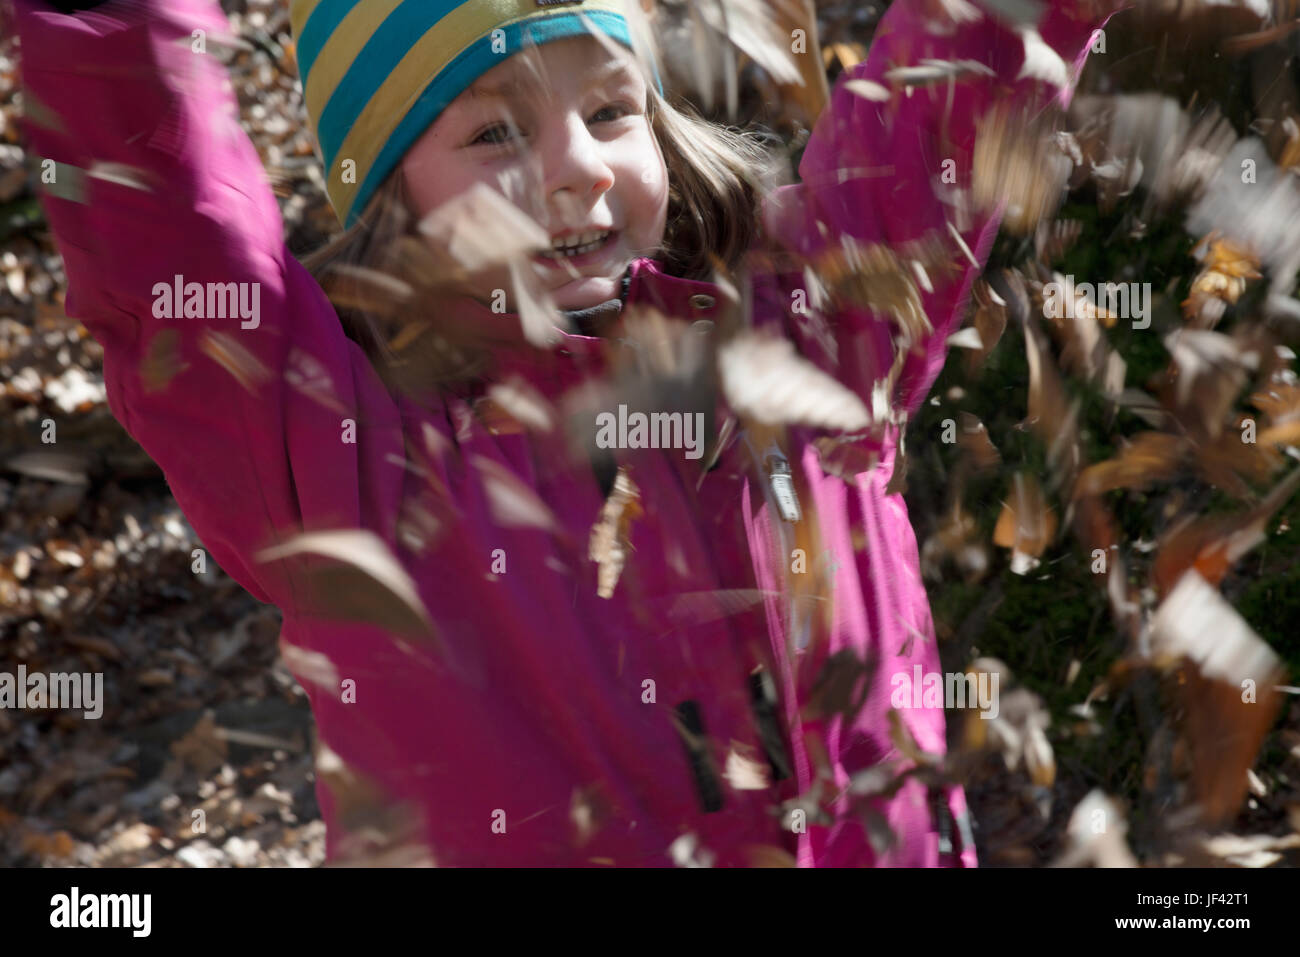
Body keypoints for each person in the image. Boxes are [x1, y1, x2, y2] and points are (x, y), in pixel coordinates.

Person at [12, 0, 1113, 866]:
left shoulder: (809, 333)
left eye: (611, 110)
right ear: (391, 202)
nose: (576, 165)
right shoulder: (337, 452)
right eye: (495, 130)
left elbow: (943, 101)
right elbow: (166, 230)